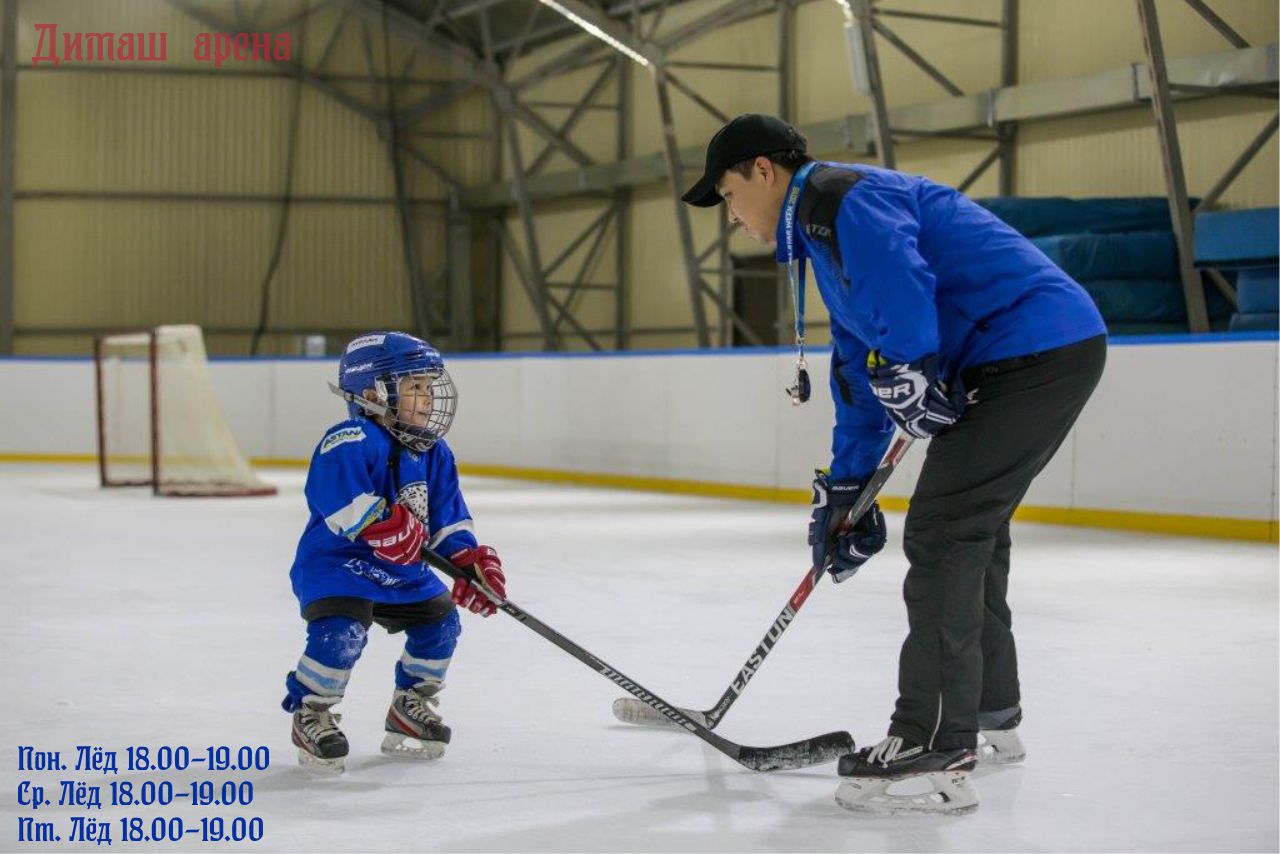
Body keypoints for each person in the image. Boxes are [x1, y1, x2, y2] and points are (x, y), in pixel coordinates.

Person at [681, 114, 1107, 815]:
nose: (731, 216)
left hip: (1033, 349)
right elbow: (856, 366)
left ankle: (932, 746)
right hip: (1023, 354)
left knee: (945, 531)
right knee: (973, 529)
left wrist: (908, 365)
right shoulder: (820, 241)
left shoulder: (840, 199)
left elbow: (900, 278)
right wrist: (848, 489)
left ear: (764, 171)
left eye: (727, 194)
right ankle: (990, 708)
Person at [280, 331, 506, 773]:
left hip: (401, 569)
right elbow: (331, 490)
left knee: (441, 623)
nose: (427, 399)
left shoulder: (435, 452)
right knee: (342, 633)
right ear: (372, 393)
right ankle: (311, 710)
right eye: (414, 387)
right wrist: (377, 522)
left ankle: (409, 706)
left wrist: (466, 560)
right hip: (340, 564)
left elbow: (447, 519)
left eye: (428, 386)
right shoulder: (351, 436)